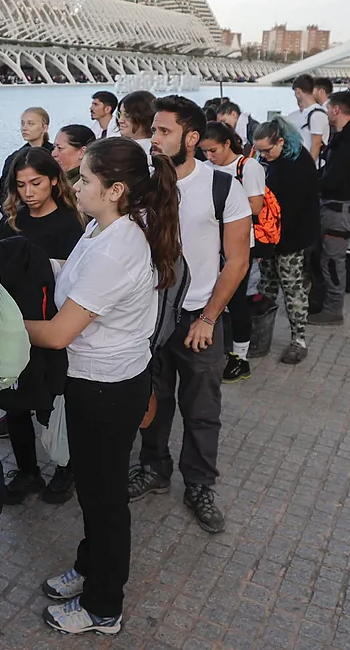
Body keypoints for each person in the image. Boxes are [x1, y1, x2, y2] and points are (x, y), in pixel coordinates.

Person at [24, 137, 181, 635]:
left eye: (85, 179)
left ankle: (103, 607)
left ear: (115, 190)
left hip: (106, 389)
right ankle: (90, 568)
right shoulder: (103, 225)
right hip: (98, 381)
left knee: (104, 498)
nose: (75, 185)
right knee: (95, 490)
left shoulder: (119, 246)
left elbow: (57, 332)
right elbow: (74, 278)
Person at [132, 96, 251, 533]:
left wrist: (208, 318)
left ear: (193, 137)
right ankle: (154, 468)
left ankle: (200, 484)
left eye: (164, 132)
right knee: (154, 401)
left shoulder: (223, 187)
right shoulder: (143, 185)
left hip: (199, 315)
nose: (154, 139)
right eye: (153, 130)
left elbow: (237, 261)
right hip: (150, 315)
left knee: (202, 408)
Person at [0, 147, 86, 505]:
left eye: (36, 183)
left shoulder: (69, 222)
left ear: (53, 181)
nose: (29, 192)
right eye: (21, 185)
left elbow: (78, 273)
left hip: (51, 324)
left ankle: (66, 467)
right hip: (12, 323)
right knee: (14, 403)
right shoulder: (12, 218)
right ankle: (28, 471)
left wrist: (38, 264)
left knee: (52, 402)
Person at [199, 121, 264, 382]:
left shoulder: (248, 167)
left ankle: (241, 356)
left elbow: (256, 206)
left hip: (237, 243)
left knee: (236, 301)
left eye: (213, 150)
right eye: (204, 151)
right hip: (209, 244)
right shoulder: (205, 168)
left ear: (228, 143)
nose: (209, 156)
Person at [250, 119, 319, 363]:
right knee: (266, 285)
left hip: (290, 238)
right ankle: (261, 333)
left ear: (281, 141)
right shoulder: (273, 161)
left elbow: (292, 210)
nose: (263, 156)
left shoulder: (297, 165)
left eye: (267, 150)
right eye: (259, 151)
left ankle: (299, 340)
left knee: (292, 288)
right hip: (270, 237)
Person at [309, 91, 350, 326]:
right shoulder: (347, 137)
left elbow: (334, 179)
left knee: (333, 261)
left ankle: (334, 309)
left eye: (327, 108)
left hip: (340, 210)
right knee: (327, 258)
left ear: (336, 110)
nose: (325, 112)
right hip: (339, 207)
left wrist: (311, 184)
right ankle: (327, 304)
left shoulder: (349, 144)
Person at [0, 107, 53, 205]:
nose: (24, 128)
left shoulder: (55, 154)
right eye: (23, 123)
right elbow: (2, 192)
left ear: (45, 127)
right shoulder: (14, 158)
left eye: (31, 124)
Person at [291, 74, 330, 165]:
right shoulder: (307, 112)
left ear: (298, 91)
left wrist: (309, 168)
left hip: (314, 166)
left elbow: (316, 144)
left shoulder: (316, 114)